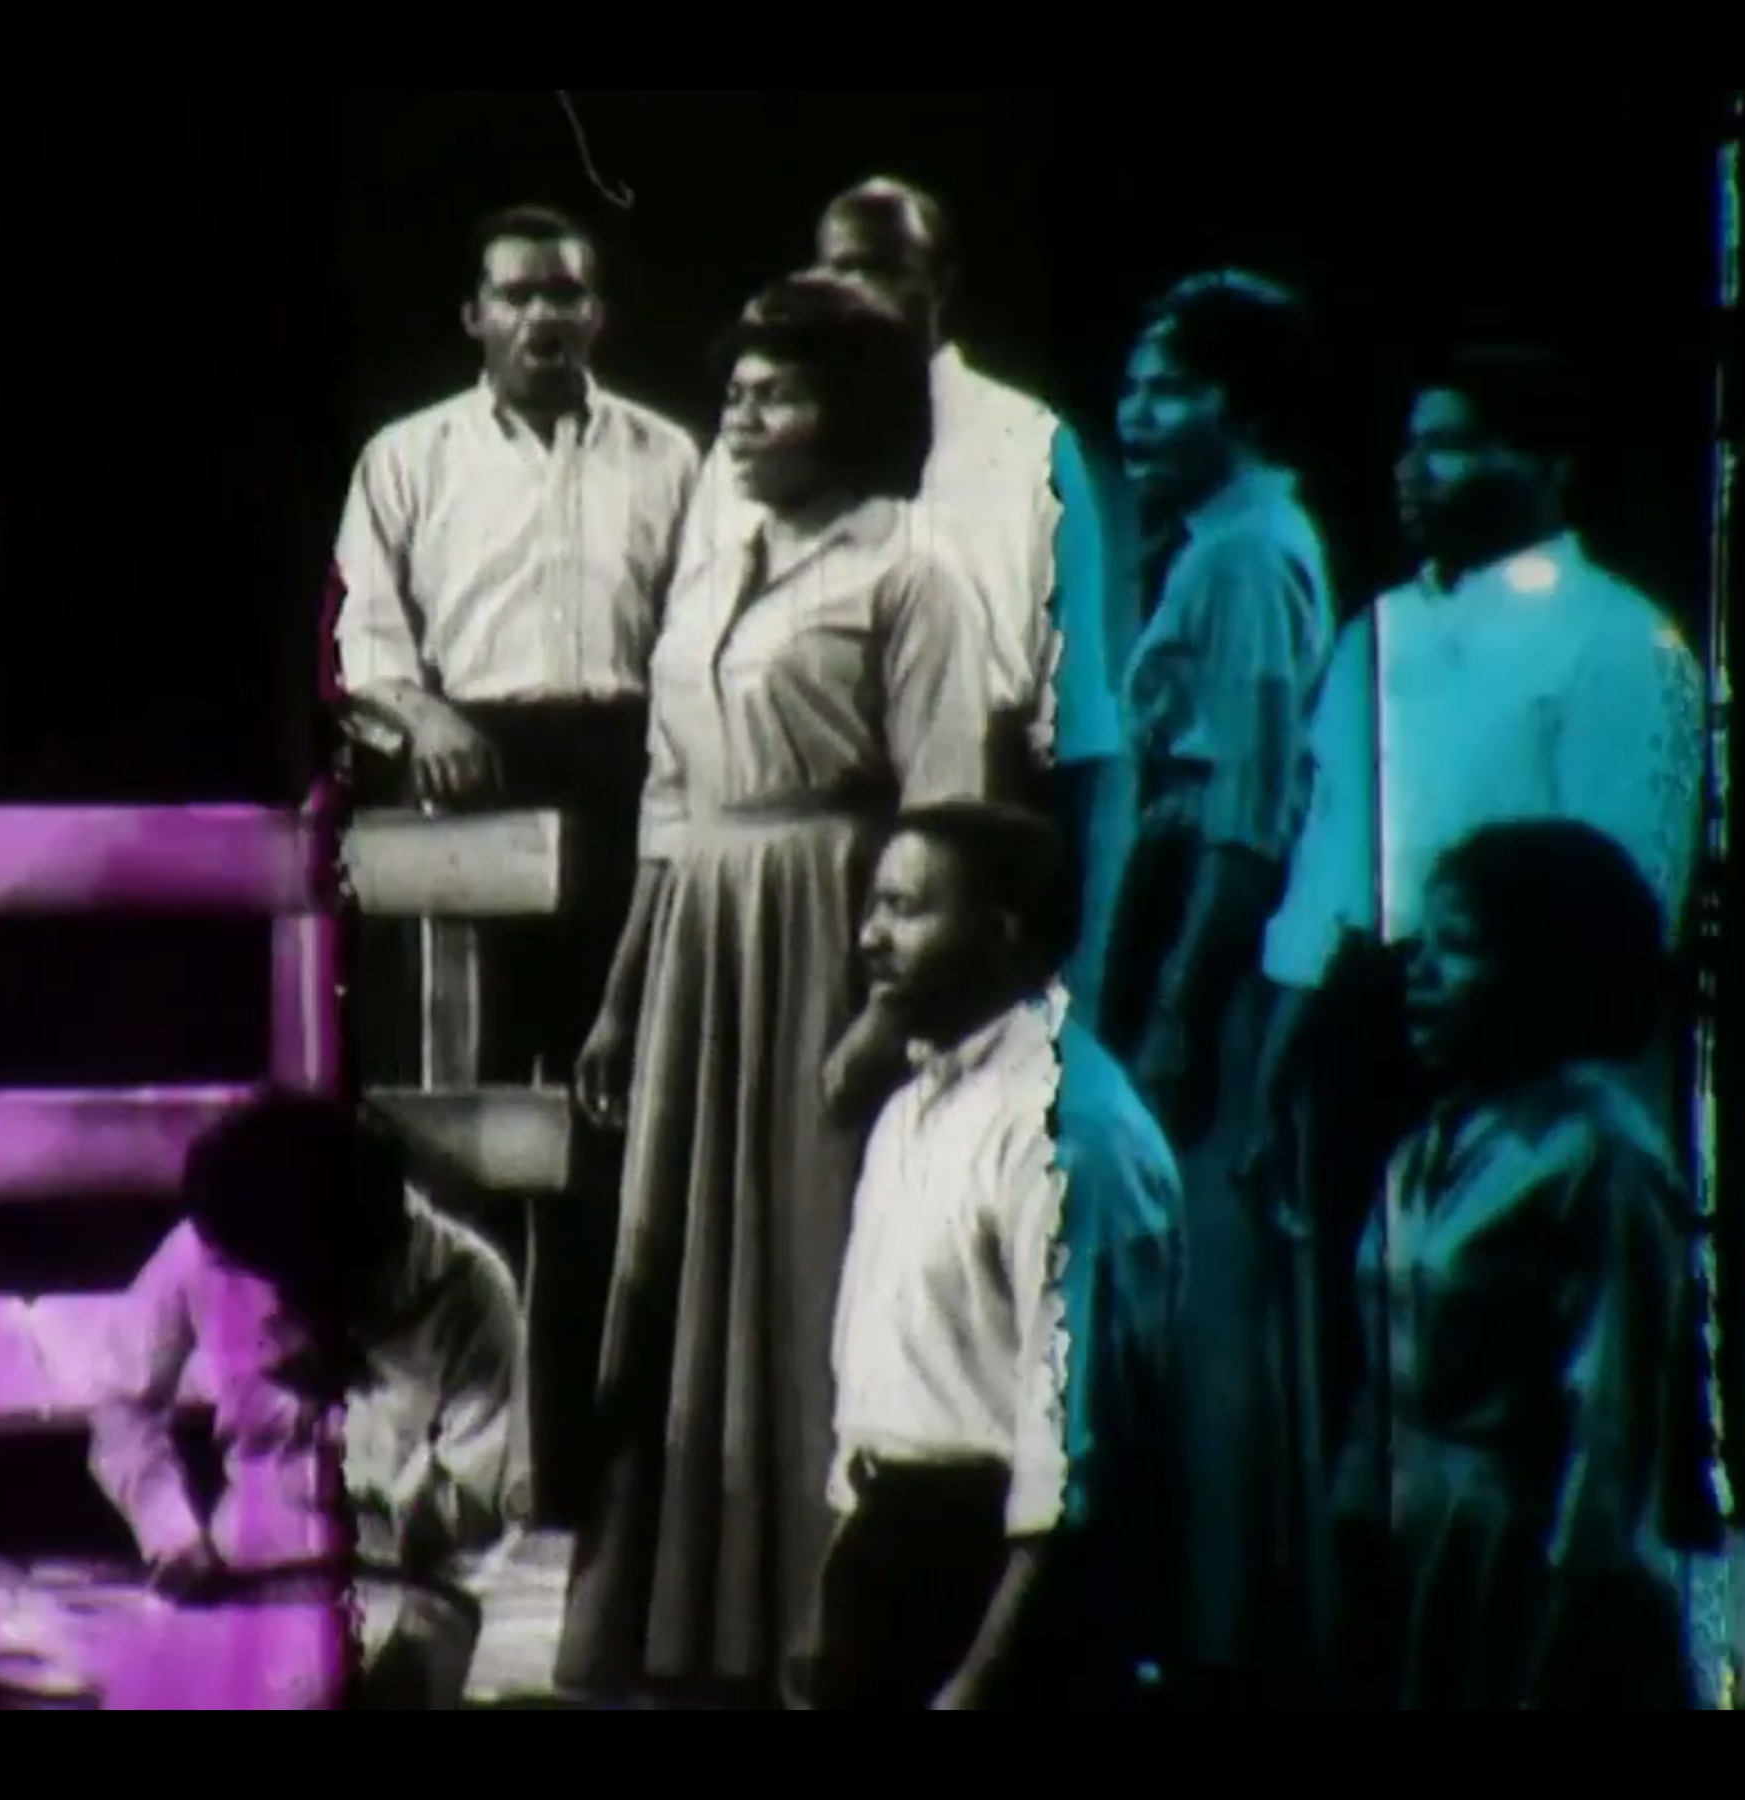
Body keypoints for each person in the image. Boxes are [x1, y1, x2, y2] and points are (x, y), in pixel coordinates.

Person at [555, 271, 991, 1706]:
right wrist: (624, 994)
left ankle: (811, 1624)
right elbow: (670, 800)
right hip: (701, 937)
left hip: (828, 928)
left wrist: (888, 1012)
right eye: (733, 394)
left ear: (847, 411)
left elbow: (945, 809)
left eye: (776, 396)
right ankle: (675, 1624)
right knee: (670, 1269)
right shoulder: (712, 553)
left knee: (810, 1270)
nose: (739, 419)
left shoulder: (913, 569)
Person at [1243, 346, 1708, 1674]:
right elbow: (1331, 866)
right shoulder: (1376, 634)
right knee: (1379, 1379)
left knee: (1534, 1389)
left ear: (1548, 463)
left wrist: (1523, 1018)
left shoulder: (1619, 641)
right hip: (1382, 1036)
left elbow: (1627, 885)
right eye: (1409, 443)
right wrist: (1284, 1066)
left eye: (1452, 443)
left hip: (1532, 1040)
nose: (1416, 470)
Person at [329, 202, 700, 1526]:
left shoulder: (669, 455)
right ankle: (448, 1473)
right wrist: (425, 719)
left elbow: (696, 638)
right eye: (518, 295)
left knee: (609, 1126)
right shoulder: (407, 455)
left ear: (599, 313)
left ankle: (587, 1472)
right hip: (462, 781)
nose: (544, 316)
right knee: (456, 1134)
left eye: (567, 294)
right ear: (475, 315)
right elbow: (364, 639)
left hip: (622, 779)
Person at [682, 176, 1138, 1021]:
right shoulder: (745, 453)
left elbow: (1082, 726)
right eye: (835, 270)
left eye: (882, 270)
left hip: (976, 832)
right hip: (784, 850)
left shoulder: (1028, 443)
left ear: (941, 284)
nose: (855, 294)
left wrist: (1092, 949)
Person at [792, 802, 1184, 1711]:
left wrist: (975, 1683)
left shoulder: (1068, 1136)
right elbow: (879, 1386)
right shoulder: (912, 1109)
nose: (870, 937)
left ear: (1003, 931)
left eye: (904, 909)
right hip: (887, 1556)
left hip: (993, 1587)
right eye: (872, 907)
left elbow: (1069, 1467)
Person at [1334, 819, 1712, 1708]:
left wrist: (1566, 1615)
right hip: (1420, 1554)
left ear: (1541, 975)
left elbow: (1611, 1423)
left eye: (1456, 949)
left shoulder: (1601, 1159)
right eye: (1421, 944)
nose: (1418, 973)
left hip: (1530, 1572)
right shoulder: (1429, 1144)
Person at [1103, 268, 1337, 1687]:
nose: (1139, 413)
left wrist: (1183, 1013)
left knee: (1209, 1302)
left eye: (1172, 387)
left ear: (1239, 406)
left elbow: (1251, 815)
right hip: (1177, 920)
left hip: (1216, 945)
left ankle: (1223, 1640)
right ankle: (1189, 1621)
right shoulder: (1203, 547)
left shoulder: (1249, 556)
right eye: (1131, 386)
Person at [84, 1091, 525, 1711]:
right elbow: (123, 1403)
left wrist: (419, 1636)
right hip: (239, 1566)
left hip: (407, 1581)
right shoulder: (213, 1247)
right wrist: (172, 1531)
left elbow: (478, 1509)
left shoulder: (468, 1287)